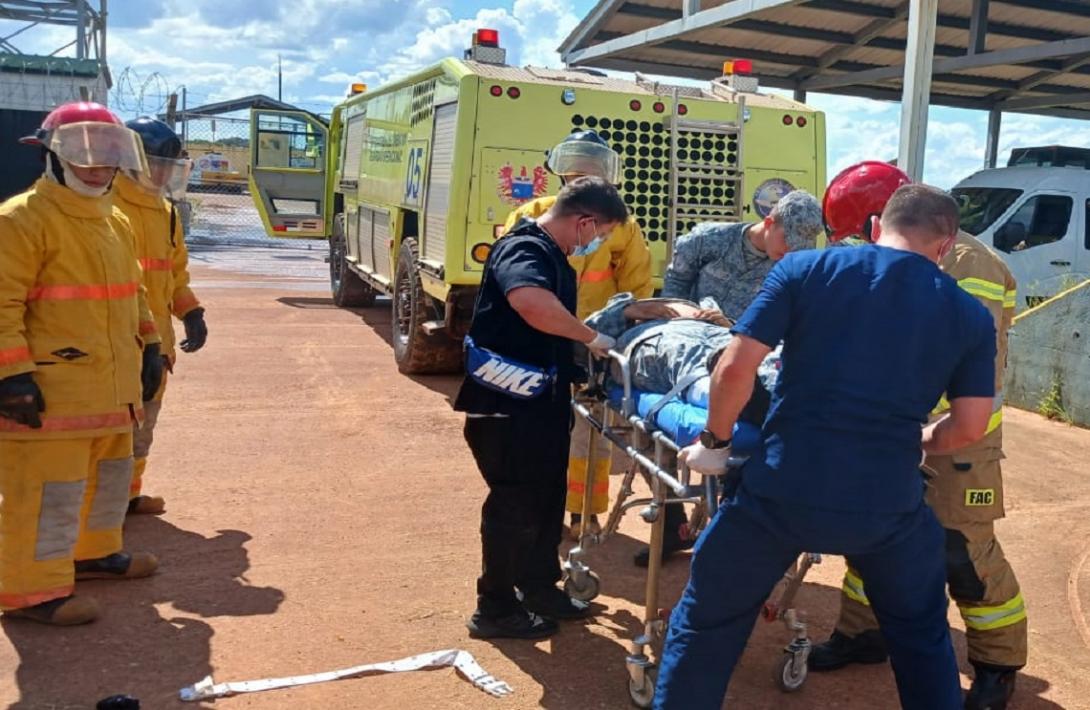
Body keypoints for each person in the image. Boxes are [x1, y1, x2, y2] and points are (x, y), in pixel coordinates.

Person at [653, 184, 998, 710]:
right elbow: (971, 425)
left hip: (781, 490)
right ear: (946, 245)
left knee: (706, 624)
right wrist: (921, 440)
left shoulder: (804, 271)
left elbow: (734, 367)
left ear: (877, 223)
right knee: (922, 638)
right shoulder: (970, 315)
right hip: (887, 505)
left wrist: (715, 443)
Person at [810, 162, 1026, 710]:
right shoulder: (896, 260)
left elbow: (962, 363)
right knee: (871, 534)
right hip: (893, 430)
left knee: (962, 553)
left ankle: (996, 665)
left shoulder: (970, 262)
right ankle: (863, 634)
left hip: (960, 439)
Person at [0, 102, 163, 626]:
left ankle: (94, 555)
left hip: (112, 392)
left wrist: (151, 344)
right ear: (50, 153)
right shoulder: (20, 220)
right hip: (52, 396)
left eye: (108, 152)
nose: (96, 165)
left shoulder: (114, 220)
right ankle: (29, 593)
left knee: (109, 479)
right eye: (82, 152)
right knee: (49, 496)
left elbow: (133, 293)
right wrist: (11, 375)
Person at [456, 176, 628, 640]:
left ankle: (538, 588)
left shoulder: (550, 253)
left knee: (547, 499)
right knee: (514, 505)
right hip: (506, 408)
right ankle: (494, 608)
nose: (598, 242)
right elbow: (531, 304)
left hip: (539, 404)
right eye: (600, 233)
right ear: (584, 221)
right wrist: (590, 337)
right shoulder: (524, 249)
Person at [638, 189, 823, 567]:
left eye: (800, 246)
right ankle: (675, 524)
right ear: (769, 222)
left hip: (749, 358)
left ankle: (730, 535)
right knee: (648, 432)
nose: (790, 251)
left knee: (748, 440)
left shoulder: (796, 266)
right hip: (690, 347)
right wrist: (691, 318)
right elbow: (670, 299)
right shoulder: (708, 241)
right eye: (787, 240)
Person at [504, 130, 653, 540]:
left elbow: (637, 291)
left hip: (593, 347)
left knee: (591, 434)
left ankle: (583, 513)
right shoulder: (530, 216)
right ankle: (539, 509)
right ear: (563, 176)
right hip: (540, 340)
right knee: (538, 429)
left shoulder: (621, 228)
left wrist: (617, 339)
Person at [114, 117, 207, 515]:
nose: (164, 173)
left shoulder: (166, 212)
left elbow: (173, 275)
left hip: (159, 347)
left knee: (142, 431)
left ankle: (128, 497)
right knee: (111, 434)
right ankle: (102, 514)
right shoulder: (105, 207)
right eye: (157, 163)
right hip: (118, 346)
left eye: (169, 166)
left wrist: (191, 312)